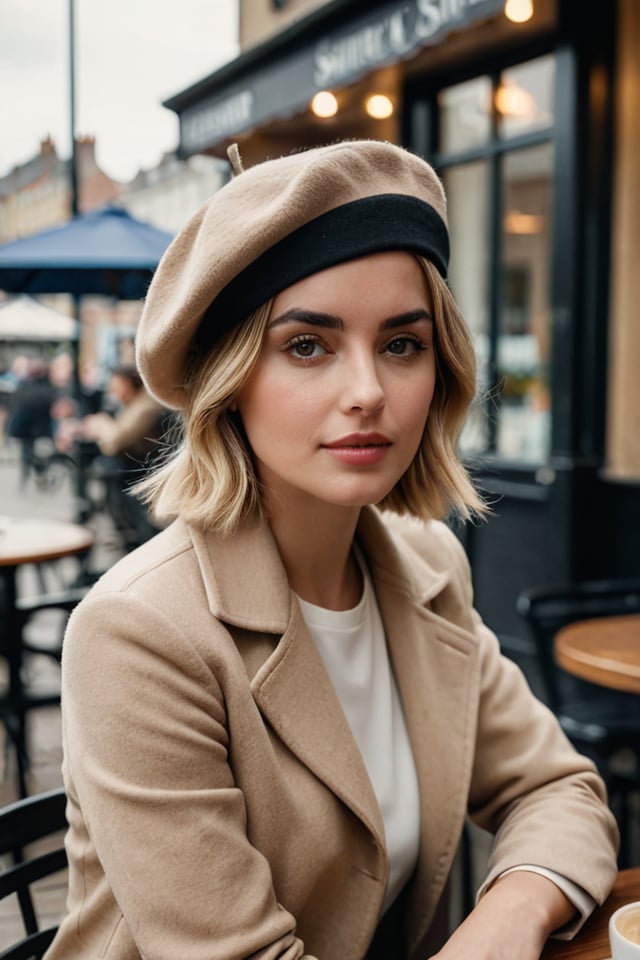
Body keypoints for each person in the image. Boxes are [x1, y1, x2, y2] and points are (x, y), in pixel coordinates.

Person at [44, 140, 618, 960]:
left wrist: (508, 913)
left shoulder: (423, 567)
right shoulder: (141, 632)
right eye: (307, 345)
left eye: (401, 343)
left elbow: (558, 785)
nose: (368, 393)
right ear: (230, 382)